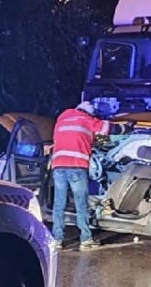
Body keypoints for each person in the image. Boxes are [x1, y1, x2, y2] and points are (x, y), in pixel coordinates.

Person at [48, 101, 128, 250]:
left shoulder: (62, 118)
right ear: (89, 113)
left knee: (59, 204)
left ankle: (57, 240)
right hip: (77, 166)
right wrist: (126, 127)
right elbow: (108, 128)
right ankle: (85, 239)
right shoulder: (86, 119)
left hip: (58, 165)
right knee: (81, 203)